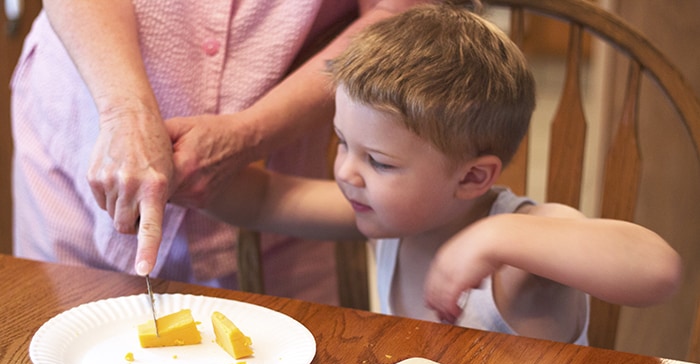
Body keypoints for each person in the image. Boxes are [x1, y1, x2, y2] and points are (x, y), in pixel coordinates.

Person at [181, 1, 682, 344]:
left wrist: (497, 237)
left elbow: (657, 269)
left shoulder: (522, 261)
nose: (348, 173)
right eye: (342, 144)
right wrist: (178, 173)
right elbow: (264, 201)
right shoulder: (391, 211)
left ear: (471, 179)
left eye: (378, 161)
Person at [11, 0, 425, 305]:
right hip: (78, 123)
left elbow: (396, 14)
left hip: (285, 177)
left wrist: (250, 134)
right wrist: (124, 112)